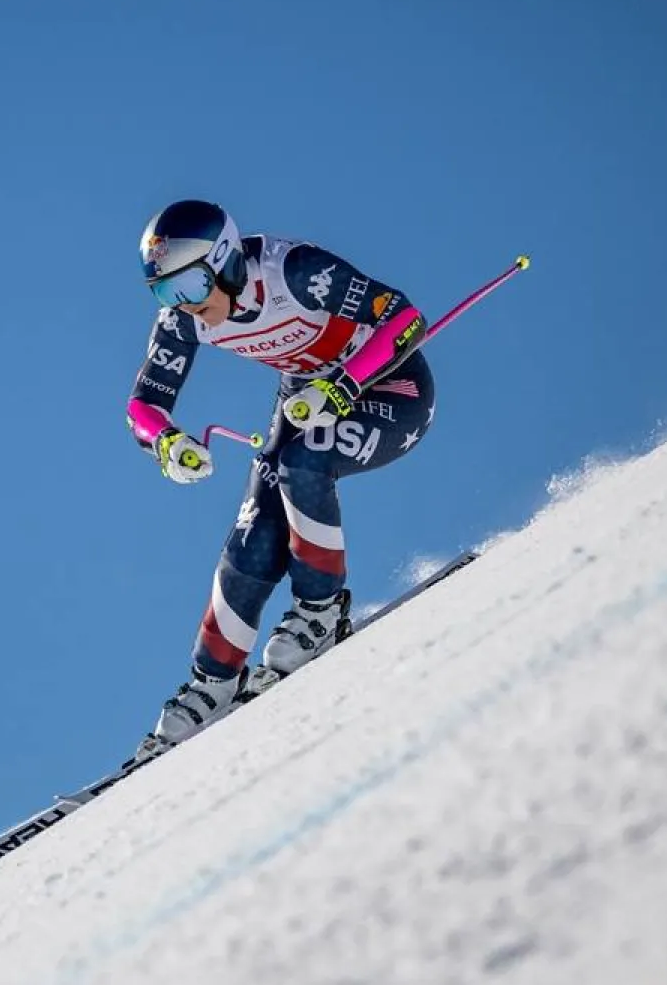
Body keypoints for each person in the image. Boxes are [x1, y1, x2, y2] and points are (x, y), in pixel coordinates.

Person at [128, 199, 436, 753]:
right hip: (304, 400)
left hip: (390, 388)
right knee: (253, 535)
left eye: (190, 286)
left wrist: (342, 387)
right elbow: (144, 405)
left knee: (303, 463)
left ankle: (321, 612)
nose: (185, 305)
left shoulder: (293, 273)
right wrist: (166, 442)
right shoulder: (185, 318)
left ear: (224, 261)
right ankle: (212, 683)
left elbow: (405, 319)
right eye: (165, 293)